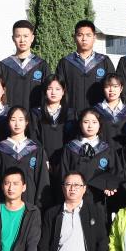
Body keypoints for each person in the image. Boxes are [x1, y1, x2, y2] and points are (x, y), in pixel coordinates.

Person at [30, 75, 76, 206]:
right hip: (42, 162)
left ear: (63, 91)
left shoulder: (70, 113)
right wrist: (44, 159)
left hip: (64, 162)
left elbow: (72, 140)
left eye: (57, 89)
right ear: (45, 91)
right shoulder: (36, 113)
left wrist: (62, 161)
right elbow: (34, 138)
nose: (53, 92)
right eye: (50, 89)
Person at [0, 107, 48, 207]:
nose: (17, 124)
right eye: (13, 120)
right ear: (8, 122)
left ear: (26, 122)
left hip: (30, 203)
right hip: (6, 203)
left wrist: (39, 206)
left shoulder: (36, 149)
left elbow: (42, 179)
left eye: (21, 120)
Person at [56, 20, 115, 112]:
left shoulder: (104, 61)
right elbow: (58, 89)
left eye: (88, 35)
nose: (84, 39)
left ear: (94, 38)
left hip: (99, 115)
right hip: (71, 115)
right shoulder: (65, 62)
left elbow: (114, 88)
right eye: (80, 35)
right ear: (74, 37)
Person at [0, 20, 50, 111]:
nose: (22, 40)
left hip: (34, 116)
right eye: (18, 36)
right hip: (9, 116)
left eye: (26, 36)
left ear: (32, 38)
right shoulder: (3, 66)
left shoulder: (41, 65)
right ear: (13, 38)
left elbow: (47, 95)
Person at [94, 73, 126, 147]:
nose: (111, 90)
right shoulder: (95, 112)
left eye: (115, 86)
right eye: (107, 86)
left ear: (121, 88)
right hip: (102, 153)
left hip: (124, 152)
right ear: (103, 89)